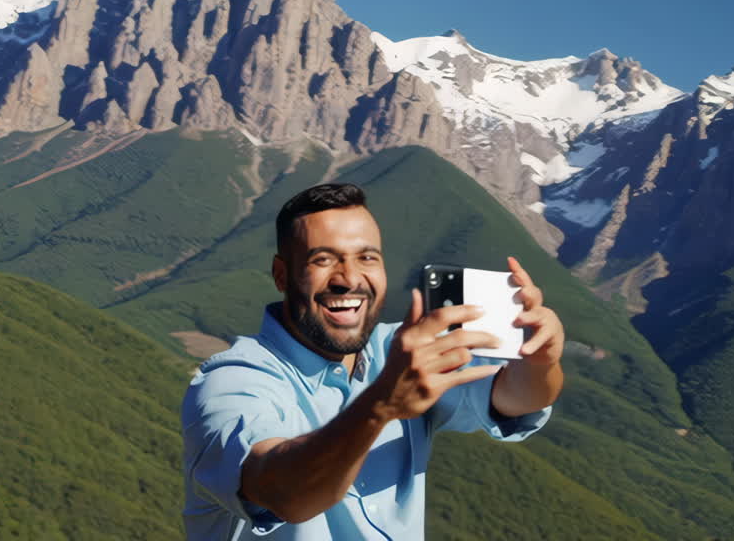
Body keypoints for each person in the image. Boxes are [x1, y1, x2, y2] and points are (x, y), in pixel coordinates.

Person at [180, 183, 565, 539]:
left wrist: (539, 358)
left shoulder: (398, 351)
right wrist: (381, 404)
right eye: (323, 260)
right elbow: (283, 493)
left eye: (367, 258)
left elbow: (518, 399)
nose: (349, 279)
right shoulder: (230, 383)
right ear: (282, 275)